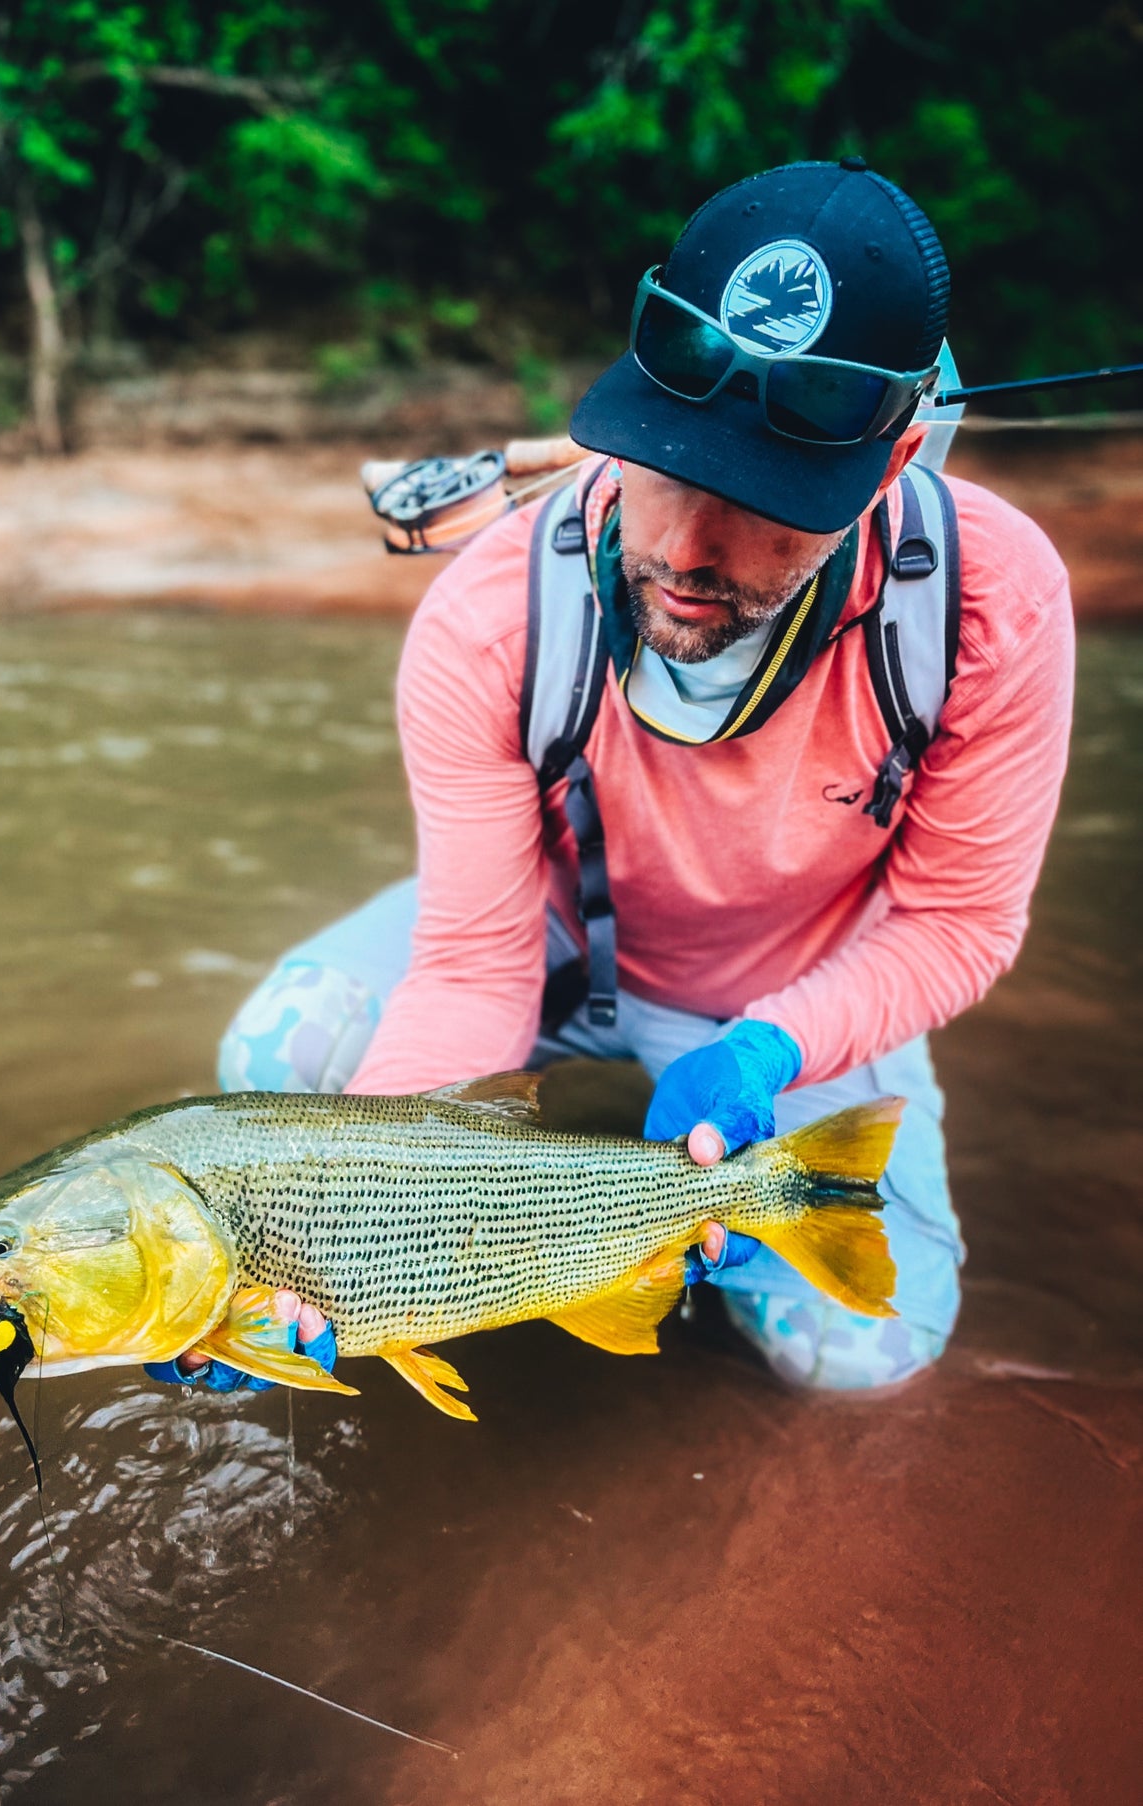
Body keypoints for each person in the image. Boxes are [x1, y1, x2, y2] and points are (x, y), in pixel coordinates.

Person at [159, 158, 1074, 1397]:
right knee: (276, 1062)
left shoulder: (986, 605)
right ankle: (554, 1203)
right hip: (549, 950)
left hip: (787, 1000)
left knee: (864, 1357)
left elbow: (958, 923)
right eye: (666, 467)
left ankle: (639, 1229)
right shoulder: (487, 620)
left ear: (895, 457)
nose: (689, 551)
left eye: (765, 504)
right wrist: (337, 1237)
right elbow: (475, 966)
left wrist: (770, 1050)